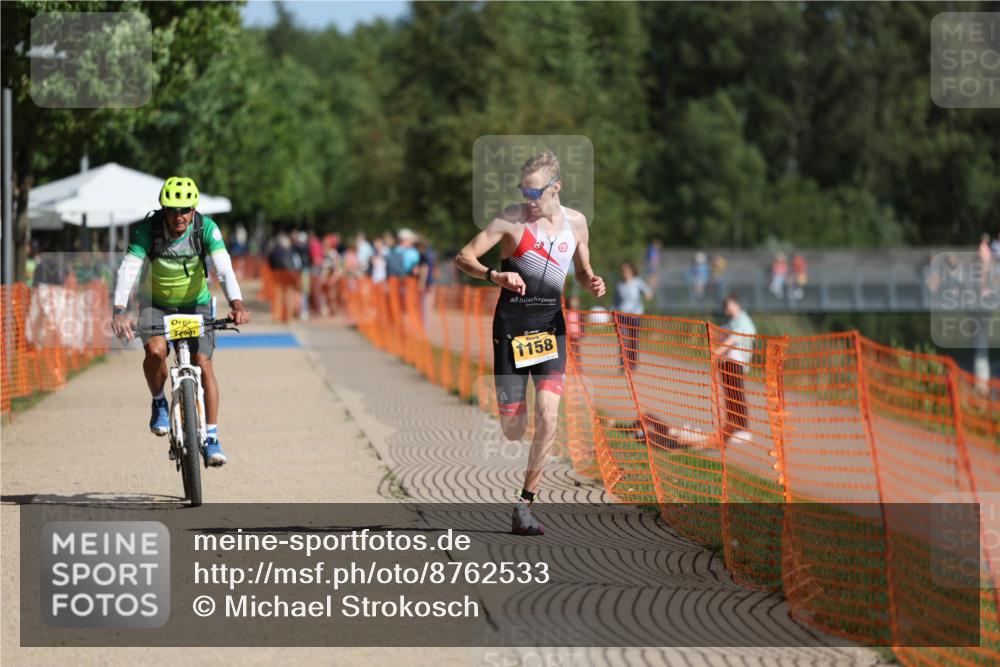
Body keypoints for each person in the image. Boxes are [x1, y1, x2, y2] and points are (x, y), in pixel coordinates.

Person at [455, 150, 605, 535]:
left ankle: (525, 504)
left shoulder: (577, 223)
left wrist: (592, 281)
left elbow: (584, 270)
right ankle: (510, 413)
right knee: (513, 428)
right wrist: (494, 276)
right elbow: (463, 257)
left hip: (550, 330)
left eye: (535, 192)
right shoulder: (510, 220)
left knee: (550, 416)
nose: (528, 199)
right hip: (511, 330)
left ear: (557, 188)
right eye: (524, 190)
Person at [111, 176, 250, 466]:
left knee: (204, 362)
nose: (179, 216)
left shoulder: (205, 228)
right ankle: (159, 402)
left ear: (193, 209)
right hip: (155, 304)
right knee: (155, 351)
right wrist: (119, 309)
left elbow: (223, 269)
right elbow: (129, 270)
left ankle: (211, 436)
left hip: (196, 305)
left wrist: (237, 304)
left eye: (185, 209)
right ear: (163, 209)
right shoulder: (147, 230)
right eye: (172, 210)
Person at [713, 293, 756, 448]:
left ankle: (743, 430)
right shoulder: (732, 322)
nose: (727, 308)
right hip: (727, 362)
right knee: (730, 396)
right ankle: (733, 427)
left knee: (737, 395)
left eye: (729, 305)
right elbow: (724, 334)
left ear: (736, 304)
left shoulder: (743, 321)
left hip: (736, 362)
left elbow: (733, 339)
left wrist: (716, 352)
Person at [614, 261, 653, 372]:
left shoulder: (638, 282)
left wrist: (649, 290)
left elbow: (648, 294)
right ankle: (623, 364)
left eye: (626, 270)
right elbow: (615, 303)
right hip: (621, 317)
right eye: (622, 271)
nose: (624, 273)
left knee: (633, 341)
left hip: (635, 316)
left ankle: (632, 364)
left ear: (632, 271)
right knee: (623, 340)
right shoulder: (619, 285)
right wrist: (612, 313)